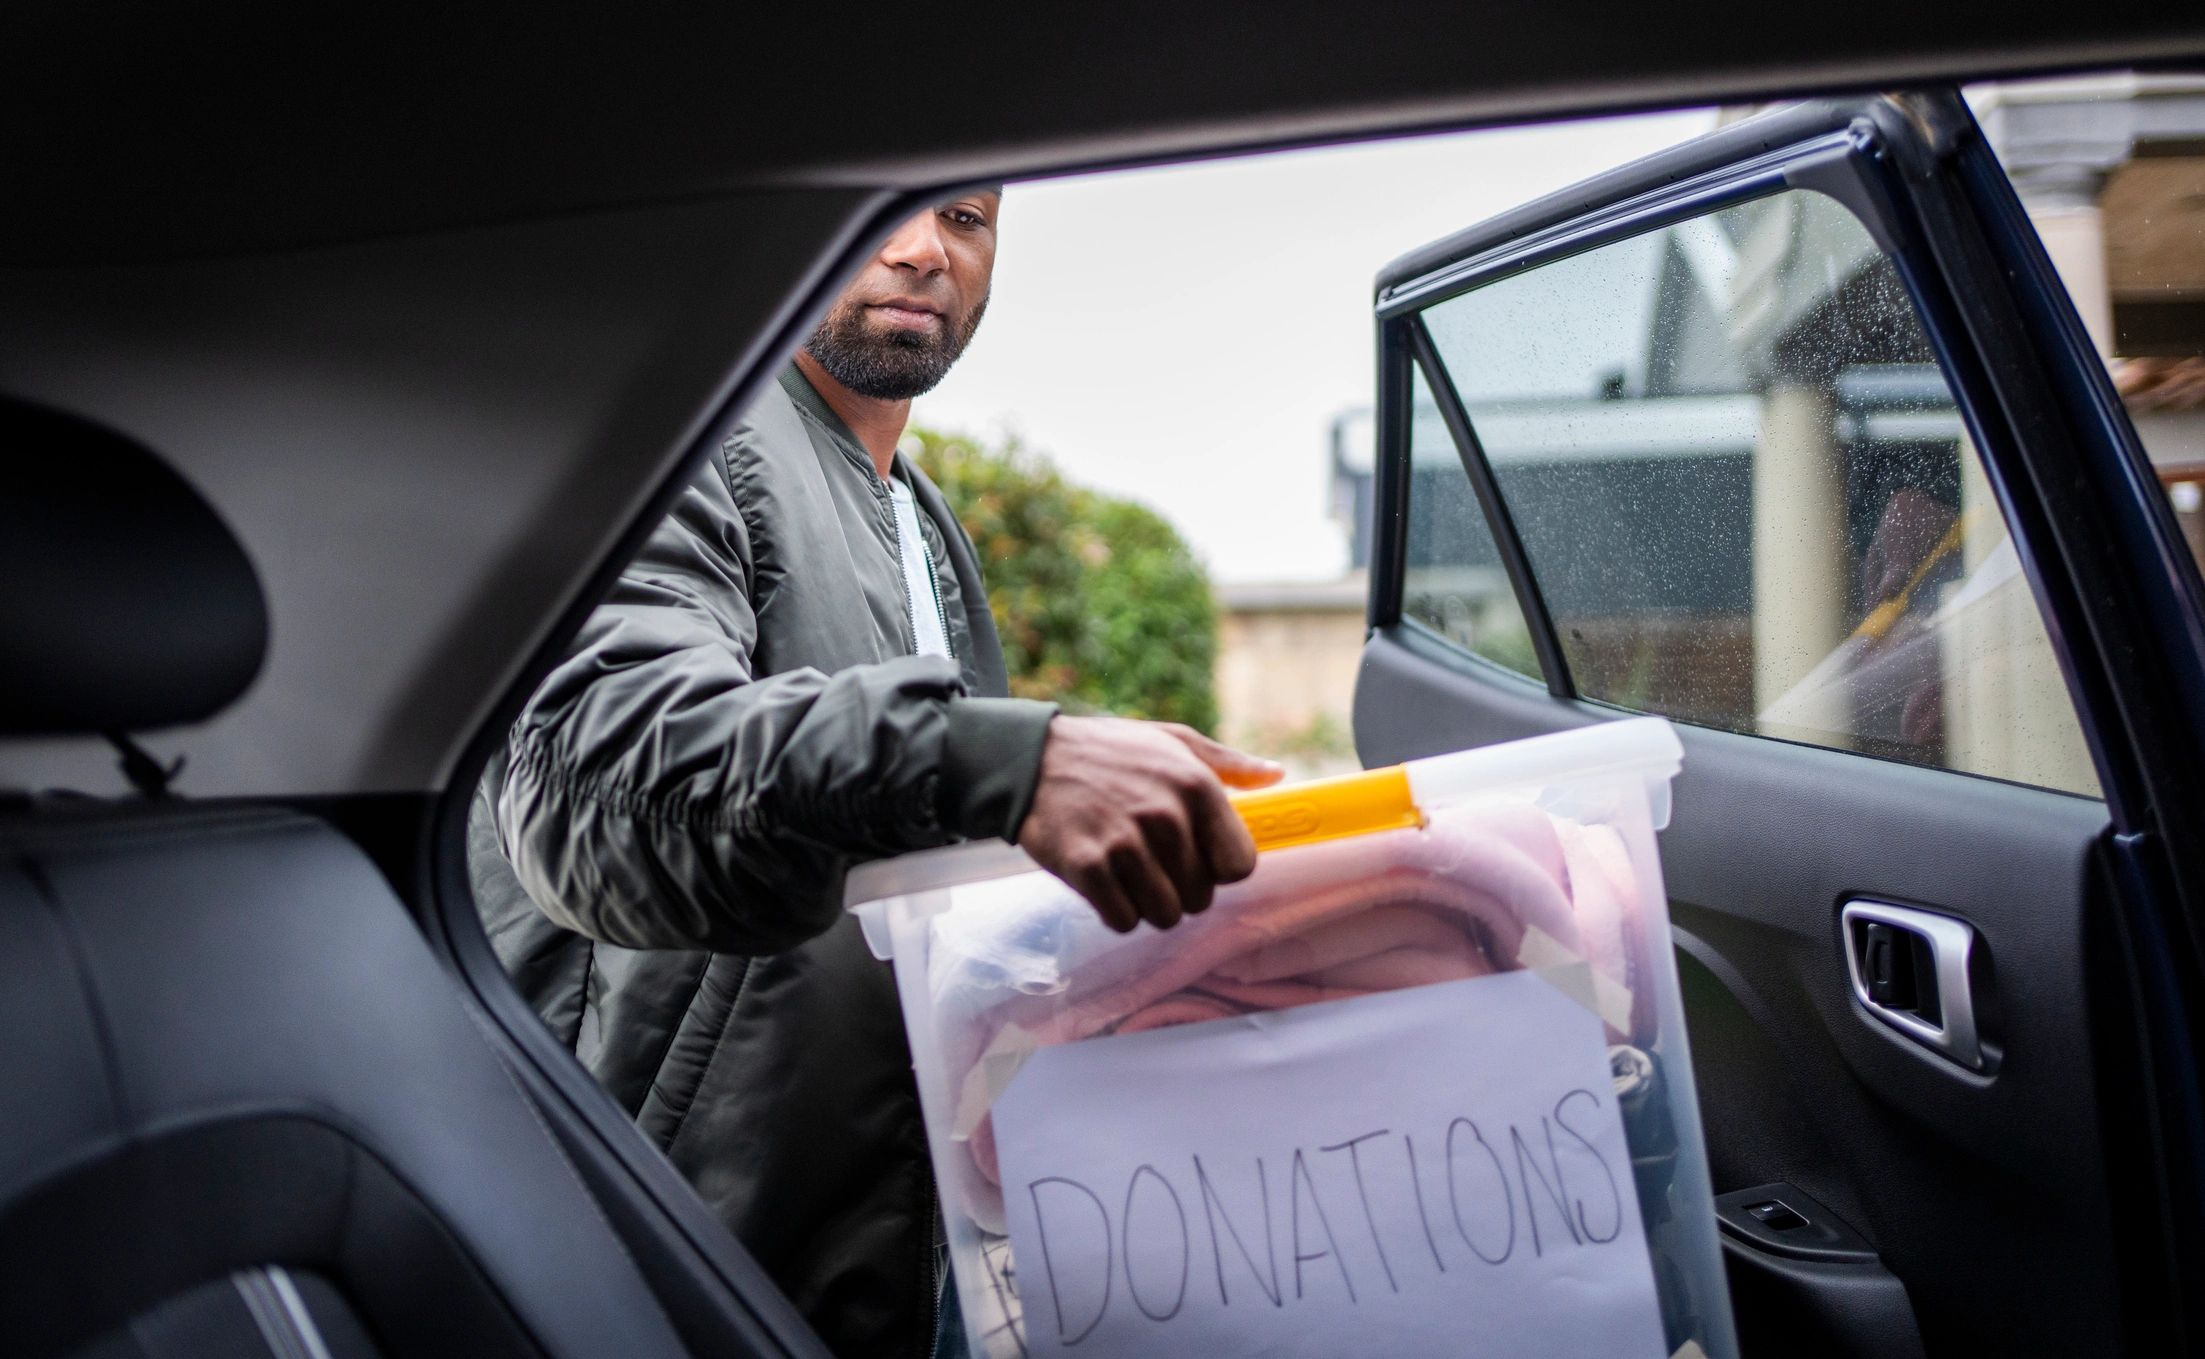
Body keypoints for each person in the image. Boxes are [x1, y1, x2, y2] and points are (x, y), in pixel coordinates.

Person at [467, 187, 1282, 1358]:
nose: (919, 251)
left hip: (879, 1230)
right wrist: (1010, 760)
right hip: (680, 1237)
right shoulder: (685, 443)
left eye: (962, 214)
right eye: (877, 203)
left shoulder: (921, 514)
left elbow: (912, 831)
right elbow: (596, 768)